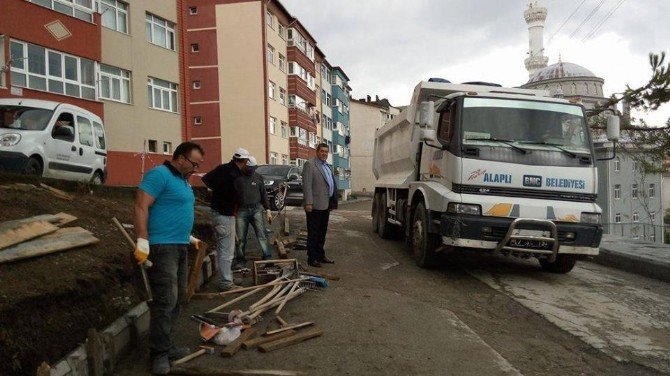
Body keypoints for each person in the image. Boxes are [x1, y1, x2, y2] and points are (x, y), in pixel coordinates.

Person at [133, 142, 204, 375]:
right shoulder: (159, 175)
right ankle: (158, 354)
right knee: (165, 300)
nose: (195, 168)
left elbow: (175, 210)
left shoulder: (183, 181)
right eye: (194, 163)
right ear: (181, 159)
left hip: (180, 245)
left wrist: (188, 236)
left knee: (178, 297)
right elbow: (141, 206)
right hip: (162, 247)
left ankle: (166, 344)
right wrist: (142, 239)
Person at [202, 147, 250, 291]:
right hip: (226, 215)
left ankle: (226, 277)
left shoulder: (222, 168)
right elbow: (241, 199)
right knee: (227, 251)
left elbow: (206, 179)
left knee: (222, 248)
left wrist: (218, 192)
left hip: (216, 212)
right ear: (244, 161)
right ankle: (226, 283)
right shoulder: (236, 176)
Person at [302, 143, 338, 268]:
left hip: (326, 204)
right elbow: (307, 185)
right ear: (317, 151)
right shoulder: (310, 164)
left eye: (326, 152)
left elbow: (329, 183)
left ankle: (320, 255)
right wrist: (308, 203)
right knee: (313, 233)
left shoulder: (326, 165)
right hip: (314, 205)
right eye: (322, 151)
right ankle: (311, 258)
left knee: (322, 232)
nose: (324, 153)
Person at [234, 156, 273, 267]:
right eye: (250, 168)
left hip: (256, 209)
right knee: (240, 237)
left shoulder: (258, 177)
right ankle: (241, 260)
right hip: (241, 210)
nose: (252, 170)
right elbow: (232, 196)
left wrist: (268, 210)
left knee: (262, 234)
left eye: (254, 168)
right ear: (245, 165)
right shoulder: (237, 178)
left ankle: (267, 257)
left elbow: (264, 194)